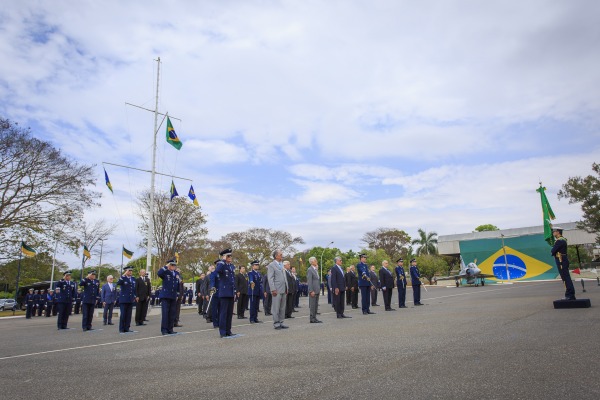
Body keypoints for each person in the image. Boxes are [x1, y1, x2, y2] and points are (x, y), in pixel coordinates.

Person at [215, 249, 237, 338]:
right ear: (224, 256)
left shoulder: (231, 266)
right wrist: (222, 260)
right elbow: (217, 271)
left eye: (230, 256)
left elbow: (232, 280)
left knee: (229, 313)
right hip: (224, 292)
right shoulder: (221, 265)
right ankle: (222, 332)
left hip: (230, 292)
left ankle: (228, 330)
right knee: (223, 313)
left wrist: (235, 290)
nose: (230, 258)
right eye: (228, 256)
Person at [551, 227, 576, 300]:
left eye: (554, 231)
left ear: (558, 232)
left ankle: (570, 294)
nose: (553, 233)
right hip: (563, 259)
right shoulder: (562, 240)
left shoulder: (559, 241)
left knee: (565, 277)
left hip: (561, 260)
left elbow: (553, 251)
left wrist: (552, 250)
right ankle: (569, 294)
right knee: (565, 277)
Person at [267, 249, 288, 330]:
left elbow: (284, 277)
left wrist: (287, 287)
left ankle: (281, 322)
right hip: (276, 289)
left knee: (282, 307)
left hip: (283, 288)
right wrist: (273, 289)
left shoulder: (281, 264)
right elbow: (270, 278)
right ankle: (276, 323)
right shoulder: (271, 265)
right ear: (276, 256)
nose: (282, 256)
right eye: (280, 254)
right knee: (276, 307)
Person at [158, 259, 180, 335]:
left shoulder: (176, 273)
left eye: (174, 265)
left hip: (173, 296)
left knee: (172, 314)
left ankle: (170, 329)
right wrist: (166, 266)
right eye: (172, 265)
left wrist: (177, 294)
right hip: (165, 296)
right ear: (169, 265)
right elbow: (159, 273)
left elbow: (178, 285)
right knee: (165, 313)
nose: (173, 266)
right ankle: (164, 330)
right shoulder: (165, 272)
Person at [117, 266, 138, 333]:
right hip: (124, 299)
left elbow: (134, 289)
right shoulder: (123, 278)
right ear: (126, 271)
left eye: (131, 271)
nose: (130, 272)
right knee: (123, 314)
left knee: (129, 315)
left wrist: (135, 296)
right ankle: (121, 328)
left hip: (130, 299)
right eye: (129, 271)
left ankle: (127, 328)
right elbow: (118, 283)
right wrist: (123, 275)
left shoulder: (133, 278)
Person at [307, 257, 322, 323]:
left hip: (317, 290)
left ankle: (315, 317)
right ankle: (312, 318)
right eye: (315, 261)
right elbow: (309, 281)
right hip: (313, 290)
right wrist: (311, 290)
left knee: (316, 305)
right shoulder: (310, 270)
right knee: (313, 305)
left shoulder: (315, 269)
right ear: (312, 262)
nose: (317, 262)